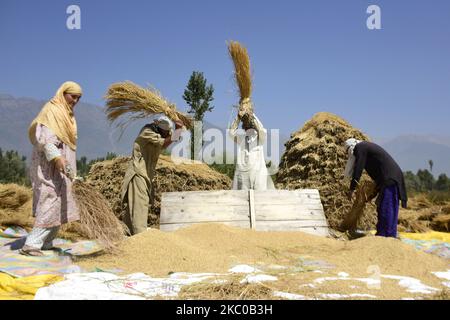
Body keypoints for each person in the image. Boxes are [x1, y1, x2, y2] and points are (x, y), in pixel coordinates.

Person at [20, 81, 83, 256]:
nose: (75, 101)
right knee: (50, 200)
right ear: (63, 93)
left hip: (61, 164)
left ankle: (46, 242)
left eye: (79, 98)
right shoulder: (52, 111)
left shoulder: (67, 114)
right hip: (49, 164)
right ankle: (31, 245)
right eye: (73, 96)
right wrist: (56, 158)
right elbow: (45, 140)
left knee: (60, 200)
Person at [121, 116, 183, 235]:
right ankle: (141, 237)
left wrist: (178, 130)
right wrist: (178, 130)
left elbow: (168, 140)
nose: (167, 134)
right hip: (138, 174)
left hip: (146, 175)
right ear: (160, 129)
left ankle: (127, 234)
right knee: (140, 205)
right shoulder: (147, 132)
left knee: (134, 207)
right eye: (166, 132)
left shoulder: (161, 132)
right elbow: (164, 143)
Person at [343, 138, 407, 238]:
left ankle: (388, 237)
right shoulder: (365, 148)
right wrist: (372, 193)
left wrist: (352, 189)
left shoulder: (360, 147)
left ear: (352, 149)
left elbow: (358, 169)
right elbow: (379, 173)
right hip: (390, 178)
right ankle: (383, 235)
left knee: (387, 208)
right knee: (382, 207)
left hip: (390, 179)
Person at [228, 107, 275, 191]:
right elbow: (231, 133)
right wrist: (238, 118)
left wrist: (252, 116)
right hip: (244, 176)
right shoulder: (242, 139)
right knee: (244, 199)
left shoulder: (260, 138)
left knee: (260, 199)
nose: (248, 128)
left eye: (250, 125)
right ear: (244, 128)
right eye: (246, 126)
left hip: (259, 176)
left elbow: (261, 129)